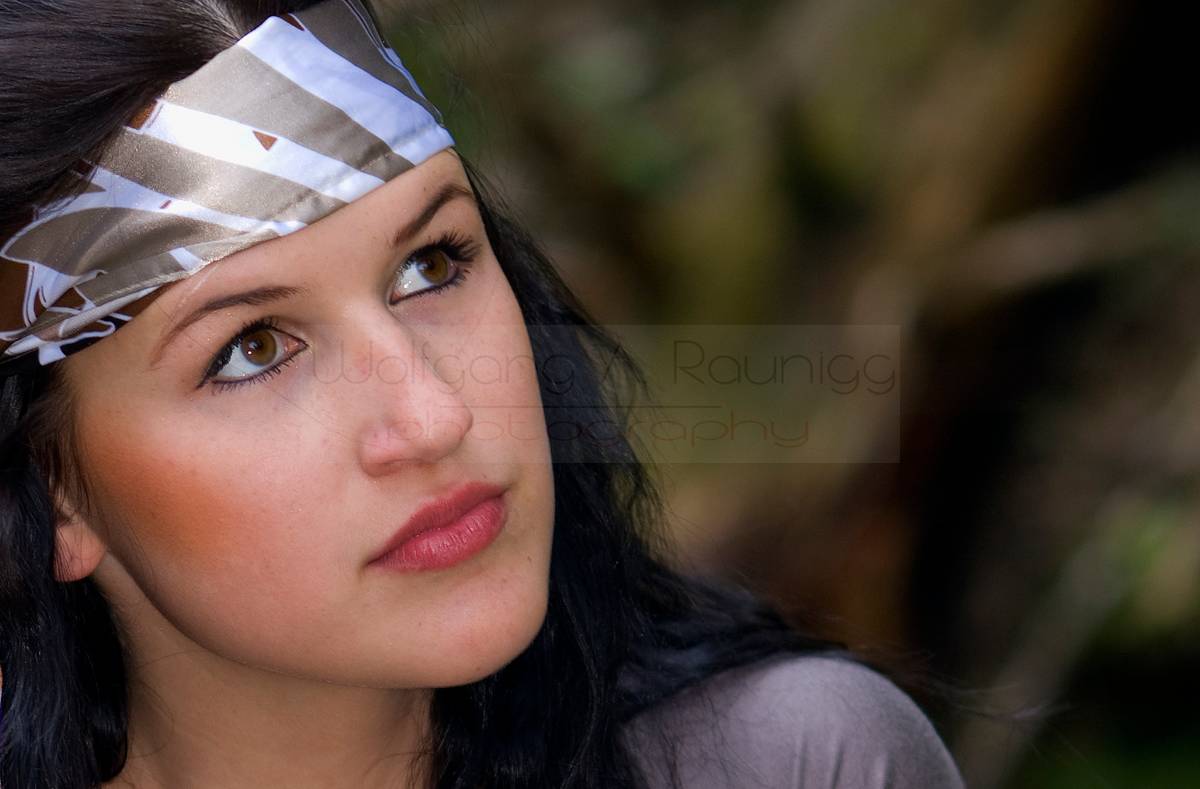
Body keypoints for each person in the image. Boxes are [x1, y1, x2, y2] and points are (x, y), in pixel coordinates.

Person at [0, 1, 966, 787]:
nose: (437, 416)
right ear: (54, 489)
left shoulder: (791, 760)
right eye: (253, 349)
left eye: (429, 265)